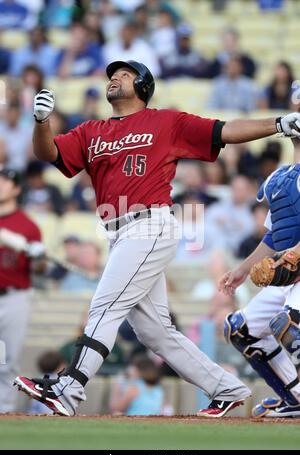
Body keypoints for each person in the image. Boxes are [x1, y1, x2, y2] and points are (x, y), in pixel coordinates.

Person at [14, 59, 300, 418]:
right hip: (119, 232)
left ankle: (69, 387)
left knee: (105, 306)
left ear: (143, 85)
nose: (114, 78)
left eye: (124, 74)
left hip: (149, 224)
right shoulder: (91, 130)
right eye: (112, 75)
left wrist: (277, 124)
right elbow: (48, 153)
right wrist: (41, 122)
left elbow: (224, 130)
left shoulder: (166, 121)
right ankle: (226, 387)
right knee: (155, 332)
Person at [219, 137, 300, 418]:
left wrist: (294, 254)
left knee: (289, 327)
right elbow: (275, 234)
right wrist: (242, 269)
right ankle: (295, 400)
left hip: (296, 267)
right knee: (240, 329)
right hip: (292, 273)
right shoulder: (281, 177)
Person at [0, 168, 45, 413]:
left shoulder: (27, 226)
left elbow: (39, 269)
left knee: (6, 361)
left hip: (13, 297)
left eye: (5, 181)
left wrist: (38, 255)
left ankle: (3, 413)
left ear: (16, 189)